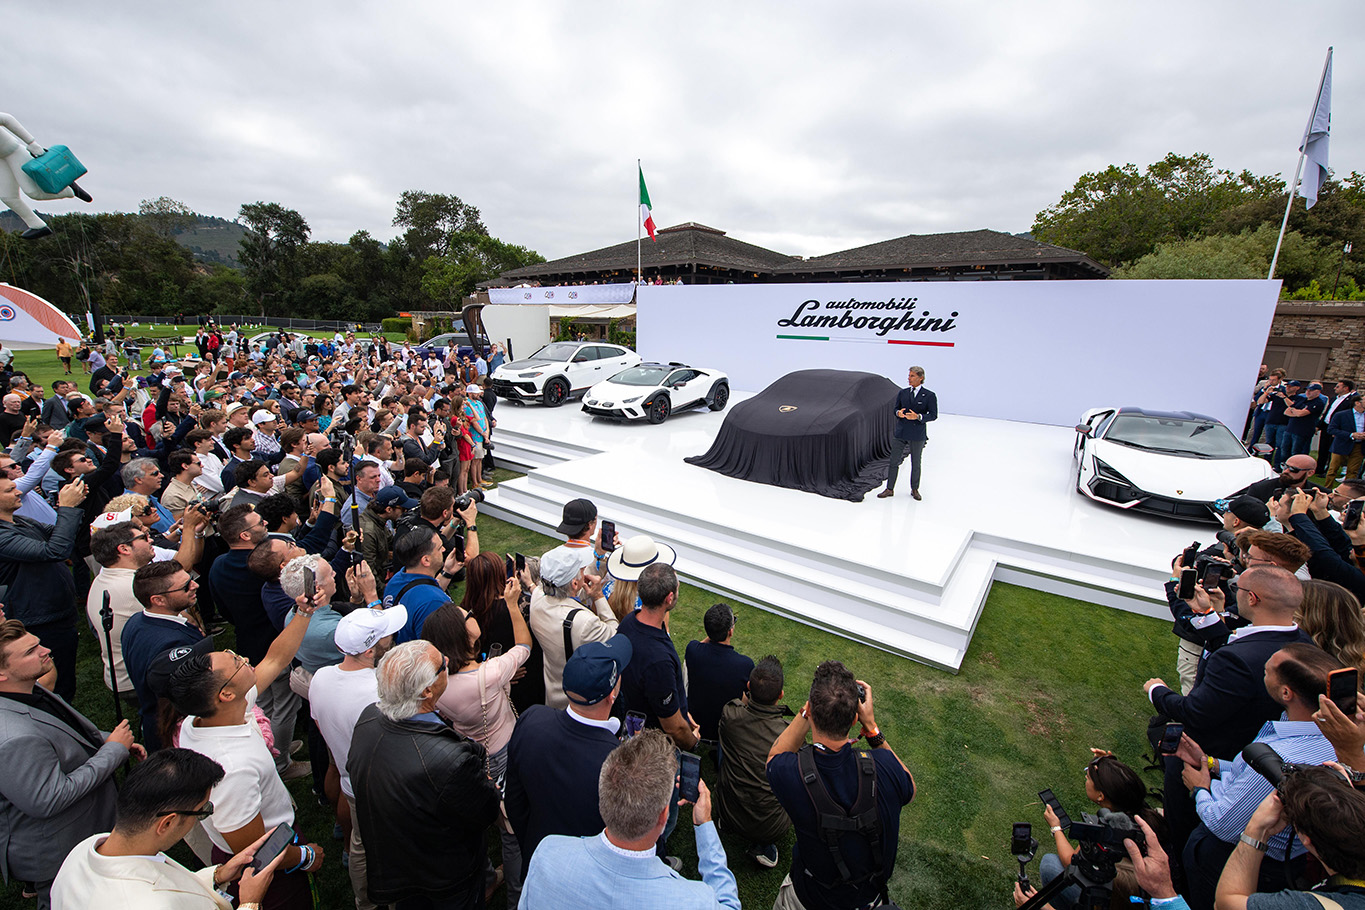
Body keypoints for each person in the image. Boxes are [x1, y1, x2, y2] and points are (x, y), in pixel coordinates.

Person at [1144, 566, 1315, 863]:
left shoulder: (1237, 659)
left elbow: (1194, 712)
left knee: (1184, 831)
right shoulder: (1302, 643)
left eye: (1239, 588)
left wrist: (1156, 691)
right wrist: (1208, 615)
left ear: (1253, 599)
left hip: (1206, 757)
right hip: (1243, 756)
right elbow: (1234, 643)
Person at [167, 600, 324, 909]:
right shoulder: (231, 769)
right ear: (225, 694)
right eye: (237, 662)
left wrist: (305, 612)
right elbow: (253, 850)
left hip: (274, 834)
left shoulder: (206, 716)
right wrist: (305, 856)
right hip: (267, 868)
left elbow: (276, 659)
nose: (245, 658)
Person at [1175, 643, 1341, 910]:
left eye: (1268, 669)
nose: (1263, 666)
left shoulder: (1284, 754)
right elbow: (1251, 776)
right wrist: (1211, 763)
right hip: (1277, 865)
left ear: (1286, 692)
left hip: (1229, 858)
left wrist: (1200, 789)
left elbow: (1222, 824)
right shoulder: (1331, 737)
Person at [0, 619, 143, 910]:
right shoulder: (13, 737)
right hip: (59, 849)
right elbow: (47, 799)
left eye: (38, 643)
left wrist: (107, 741)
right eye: (30, 652)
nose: (45, 651)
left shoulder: (28, 689)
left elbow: (64, 729)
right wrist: (113, 751)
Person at [348, 640, 500, 910]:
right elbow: (485, 811)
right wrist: (487, 786)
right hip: (446, 880)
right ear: (427, 690)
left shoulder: (369, 718)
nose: (447, 661)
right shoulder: (449, 762)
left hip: (400, 865)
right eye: (442, 665)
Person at [520, 729, 741, 910]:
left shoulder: (547, 853)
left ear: (604, 795)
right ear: (663, 816)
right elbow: (729, 905)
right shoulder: (694, 901)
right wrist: (704, 826)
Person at [50, 748, 288, 910]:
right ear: (167, 823)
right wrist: (250, 902)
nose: (201, 818)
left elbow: (166, 882)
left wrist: (218, 875)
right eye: (202, 811)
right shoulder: (154, 905)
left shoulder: (86, 849)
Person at [767, 661, 914, 910]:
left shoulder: (791, 773)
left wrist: (807, 711)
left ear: (811, 712)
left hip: (807, 899)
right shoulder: (886, 767)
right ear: (856, 718)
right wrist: (872, 728)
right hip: (866, 900)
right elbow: (908, 785)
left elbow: (774, 756)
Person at [423, 592, 533, 906]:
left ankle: (485, 878)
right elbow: (524, 646)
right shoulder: (490, 674)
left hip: (466, 753)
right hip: (503, 753)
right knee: (511, 834)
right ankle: (516, 898)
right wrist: (512, 605)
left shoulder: (435, 682)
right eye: (467, 615)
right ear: (462, 634)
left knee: (473, 826)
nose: (472, 614)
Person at [310, 605, 407, 910]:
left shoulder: (321, 678)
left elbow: (320, 726)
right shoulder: (380, 692)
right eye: (386, 636)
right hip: (384, 788)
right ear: (368, 652)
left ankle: (364, 902)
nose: (392, 638)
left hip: (351, 783)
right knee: (393, 852)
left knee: (360, 846)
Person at [505, 636, 630, 867]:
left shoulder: (531, 719)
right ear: (612, 694)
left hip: (538, 855)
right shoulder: (618, 764)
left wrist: (532, 847)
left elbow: (514, 801)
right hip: (588, 873)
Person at [1216, 766, 1365, 910]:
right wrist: (1350, 802)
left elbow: (1226, 904)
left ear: (1306, 839)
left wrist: (1256, 830)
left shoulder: (1312, 905)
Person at [0, 473, 88, 700]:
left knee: (66, 675)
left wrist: (73, 507)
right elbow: (54, 550)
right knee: (52, 682)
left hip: (54, 610)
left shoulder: (19, 521)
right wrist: (66, 507)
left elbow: (61, 536)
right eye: (10, 491)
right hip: (41, 618)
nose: (19, 491)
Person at [716, 655, 792, 868]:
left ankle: (728, 823)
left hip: (727, 810)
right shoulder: (787, 734)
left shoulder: (730, 714)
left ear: (748, 687)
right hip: (768, 827)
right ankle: (764, 847)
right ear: (781, 695)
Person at [122, 560, 207, 750]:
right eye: (186, 586)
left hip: (151, 718)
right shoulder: (174, 644)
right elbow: (194, 697)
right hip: (178, 734)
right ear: (158, 600)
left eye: (190, 579)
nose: (195, 585)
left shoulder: (136, 621)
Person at [529, 546, 615, 708]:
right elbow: (614, 635)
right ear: (575, 583)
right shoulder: (584, 622)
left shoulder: (536, 598)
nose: (584, 572)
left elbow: (567, 587)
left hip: (551, 694)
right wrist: (598, 597)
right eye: (582, 570)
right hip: (577, 701)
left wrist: (598, 555)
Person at [685, 602, 755, 746]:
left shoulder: (693, 650)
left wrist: (714, 633)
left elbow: (701, 644)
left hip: (697, 723)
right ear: (730, 631)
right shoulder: (745, 664)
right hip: (725, 731)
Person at [877, 365, 937, 501]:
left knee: (916, 463)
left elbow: (933, 415)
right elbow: (895, 409)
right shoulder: (903, 393)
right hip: (901, 432)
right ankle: (889, 488)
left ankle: (915, 489)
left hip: (917, 434)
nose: (908, 378)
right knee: (893, 461)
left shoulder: (929, 395)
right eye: (909, 375)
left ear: (920, 378)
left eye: (912, 376)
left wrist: (918, 417)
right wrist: (899, 413)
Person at [1326, 395, 1365, 486]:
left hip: (1359, 446)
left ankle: (1347, 491)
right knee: (1333, 469)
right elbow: (1331, 430)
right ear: (1357, 403)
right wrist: (1351, 435)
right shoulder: (1341, 415)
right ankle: (1327, 489)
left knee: (1353, 471)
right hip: (1341, 444)